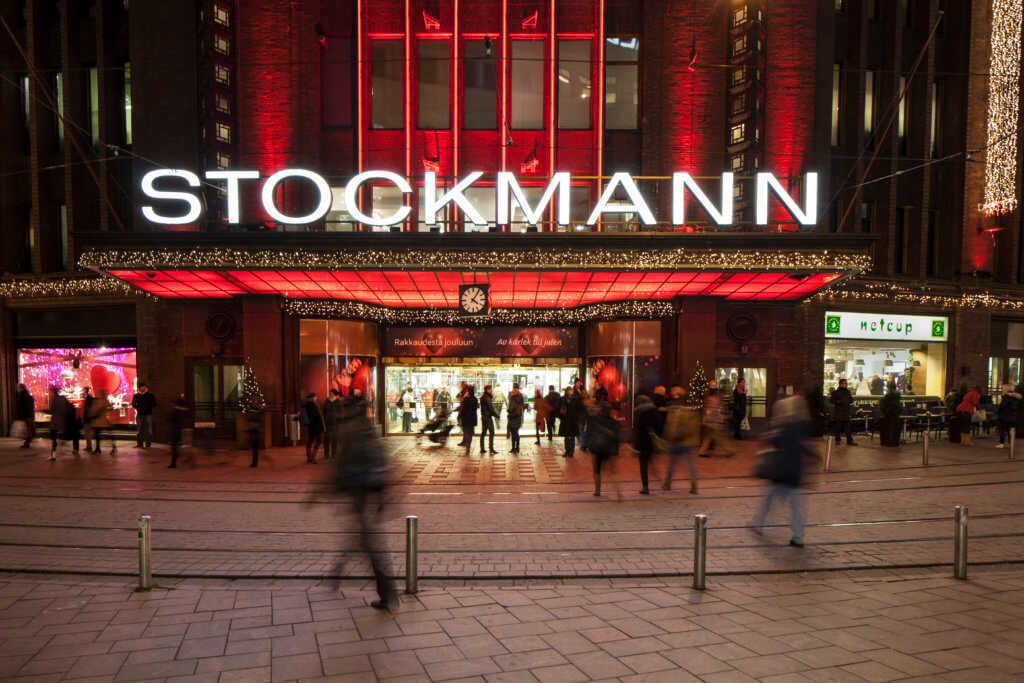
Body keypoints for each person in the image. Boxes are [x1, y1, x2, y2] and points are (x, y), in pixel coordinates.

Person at [333, 397, 397, 611]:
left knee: (368, 544)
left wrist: (330, 488)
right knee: (362, 539)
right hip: (368, 494)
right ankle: (337, 571)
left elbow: (343, 465)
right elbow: (383, 461)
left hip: (360, 494)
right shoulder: (368, 431)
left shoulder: (352, 433)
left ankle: (388, 594)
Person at [751, 395, 813, 548]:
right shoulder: (800, 425)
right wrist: (812, 456)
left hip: (781, 471)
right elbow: (801, 445)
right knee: (797, 505)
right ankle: (798, 537)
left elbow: (774, 443)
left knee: (769, 498)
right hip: (795, 471)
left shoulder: (783, 426)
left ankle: (758, 523)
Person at [662, 385, 701, 493]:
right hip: (690, 442)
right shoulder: (693, 411)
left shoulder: (677, 411)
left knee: (671, 463)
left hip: (677, 441)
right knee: (690, 465)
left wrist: (669, 438)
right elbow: (696, 427)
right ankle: (694, 486)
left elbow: (672, 427)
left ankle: (667, 483)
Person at [588, 400, 620, 497]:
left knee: (597, 469)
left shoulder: (596, 420)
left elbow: (590, 432)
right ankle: (618, 489)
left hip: (598, 448)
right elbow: (616, 437)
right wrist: (616, 450)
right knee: (612, 470)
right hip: (609, 449)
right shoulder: (613, 422)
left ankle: (597, 490)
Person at [633, 394, 664, 495]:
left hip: (643, 442)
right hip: (652, 440)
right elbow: (660, 425)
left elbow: (638, 429)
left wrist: (635, 445)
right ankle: (659, 479)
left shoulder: (639, 412)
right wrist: (658, 436)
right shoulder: (655, 411)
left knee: (643, 465)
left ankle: (645, 487)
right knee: (651, 461)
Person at [698, 380, 732, 457]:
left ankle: (702, 451)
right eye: (712, 385)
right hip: (713, 421)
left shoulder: (714, 395)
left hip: (713, 420)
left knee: (709, 437)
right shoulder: (710, 395)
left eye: (714, 385)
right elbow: (708, 408)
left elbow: (718, 407)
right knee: (719, 437)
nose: (713, 386)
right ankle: (728, 450)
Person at [46, 387, 76, 460]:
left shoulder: (55, 400)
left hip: (55, 421)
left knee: (54, 438)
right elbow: (67, 409)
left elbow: (52, 410)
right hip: (63, 421)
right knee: (58, 437)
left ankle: (53, 454)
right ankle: (68, 447)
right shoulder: (63, 399)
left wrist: (44, 411)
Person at [829, 379, 856, 446]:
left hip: (846, 411)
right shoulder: (836, 392)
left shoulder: (848, 392)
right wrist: (840, 402)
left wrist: (849, 401)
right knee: (838, 426)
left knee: (848, 427)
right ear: (840, 384)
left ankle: (849, 440)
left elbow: (851, 399)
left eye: (846, 383)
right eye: (844, 383)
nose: (845, 385)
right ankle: (837, 440)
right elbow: (832, 401)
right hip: (839, 411)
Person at [131, 383, 157, 449]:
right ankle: (140, 444)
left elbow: (154, 403)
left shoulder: (150, 395)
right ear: (140, 388)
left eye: (144, 387)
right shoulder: (136, 396)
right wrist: (138, 408)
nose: (143, 388)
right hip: (140, 414)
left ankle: (148, 444)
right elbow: (133, 404)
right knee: (140, 430)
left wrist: (148, 408)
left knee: (149, 429)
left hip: (147, 414)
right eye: (142, 387)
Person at [302, 392, 326, 463]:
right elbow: (317, 416)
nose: (316, 398)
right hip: (316, 426)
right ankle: (312, 458)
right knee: (319, 440)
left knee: (310, 441)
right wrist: (322, 424)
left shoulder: (306, 405)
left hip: (310, 426)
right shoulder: (313, 405)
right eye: (315, 397)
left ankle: (309, 458)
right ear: (312, 398)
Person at [88, 388, 113, 454]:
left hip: (97, 422)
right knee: (109, 434)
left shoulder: (97, 401)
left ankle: (98, 448)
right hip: (104, 421)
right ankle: (113, 446)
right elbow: (110, 408)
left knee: (97, 435)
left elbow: (93, 411)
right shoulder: (105, 401)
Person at [558, 386, 580, 458]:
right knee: (568, 437)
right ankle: (568, 451)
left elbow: (578, 409)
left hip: (571, 421)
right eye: (569, 390)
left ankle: (570, 452)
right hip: (567, 421)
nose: (571, 392)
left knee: (571, 437)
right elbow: (558, 409)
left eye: (571, 390)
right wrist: (561, 417)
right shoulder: (563, 399)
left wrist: (577, 418)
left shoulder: (575, 399)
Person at [996, 384, 1020, 448]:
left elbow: (1002, 407)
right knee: (1010, 430)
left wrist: (998, 410)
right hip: (1012, 416)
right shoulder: (1016, 398)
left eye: (1003, 388)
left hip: (1004, 416)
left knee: (1003, 430)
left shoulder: (1005, 397)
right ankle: (1010, 444)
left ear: (1006, 389)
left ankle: (1001, 444)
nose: (1002, 389)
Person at [322, 389, 344, 459]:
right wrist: (324, 420)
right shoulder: (327, 402)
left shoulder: (338, 402)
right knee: (326, 439)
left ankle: (334, 453)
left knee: (334, 439)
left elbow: (341, 412)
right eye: (330, 394)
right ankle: (326, 453)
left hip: (335, 423)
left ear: (334, 395)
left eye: (331, 394)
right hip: (327, 423)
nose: (330, 395)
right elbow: (323, 412)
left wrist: (338, 419)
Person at [168, 396, 188, 468]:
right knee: (179, 446)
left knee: (174, 447)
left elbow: (169, 419)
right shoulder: (185, 411)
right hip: (183, 431)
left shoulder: (175, 411)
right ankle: (175, 462)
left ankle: (173, 463)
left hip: (175, 431)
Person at [479, 385, 498, 454]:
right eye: (490, 389)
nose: (491, 390)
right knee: (492, 432)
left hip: (483, 417)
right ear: (487, 390)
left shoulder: (483, 397)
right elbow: (490, 408)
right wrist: (496, 415)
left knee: (483, 433)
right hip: (488, 417)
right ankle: (491, 448)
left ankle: (482, 448)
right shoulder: (487, 397)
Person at [15, 383, 35, 448]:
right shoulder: (28, 395)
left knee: (27, 429)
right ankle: (27, 442)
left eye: (18, 388)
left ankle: (27, 442)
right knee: (28, 429)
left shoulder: (22, 395)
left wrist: (20, 415)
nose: (17, 389)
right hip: (29, 415)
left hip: (26, 415)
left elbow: (22, 407)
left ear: (21, 388)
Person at [507, 383, 525, 453]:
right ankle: (517, 447)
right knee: (516, 432)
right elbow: (522, 404)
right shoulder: (520, 395)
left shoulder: (510, 394)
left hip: (511, 415)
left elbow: (509, 402)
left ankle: (513, 448)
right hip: (517, 416)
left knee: (512, 432)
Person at [574, 379, 590, 450]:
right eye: (577, 382)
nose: (579, 384)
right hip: (581, 414)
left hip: (582, 415)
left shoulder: (582, 392)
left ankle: (583, 444)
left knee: (581, 429)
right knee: (581, 430)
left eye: (579, 382)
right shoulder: (574, 390)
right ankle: (583, 444)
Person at [81, 387, 94, 452]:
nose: (83, 392)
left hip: (87, 419)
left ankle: (89, 446)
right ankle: (89, 446)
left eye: (83, 390)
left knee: (87, 433)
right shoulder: (90, 398)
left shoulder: (88, 399)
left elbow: (86, 410)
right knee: (88, 433)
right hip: (89, 418)